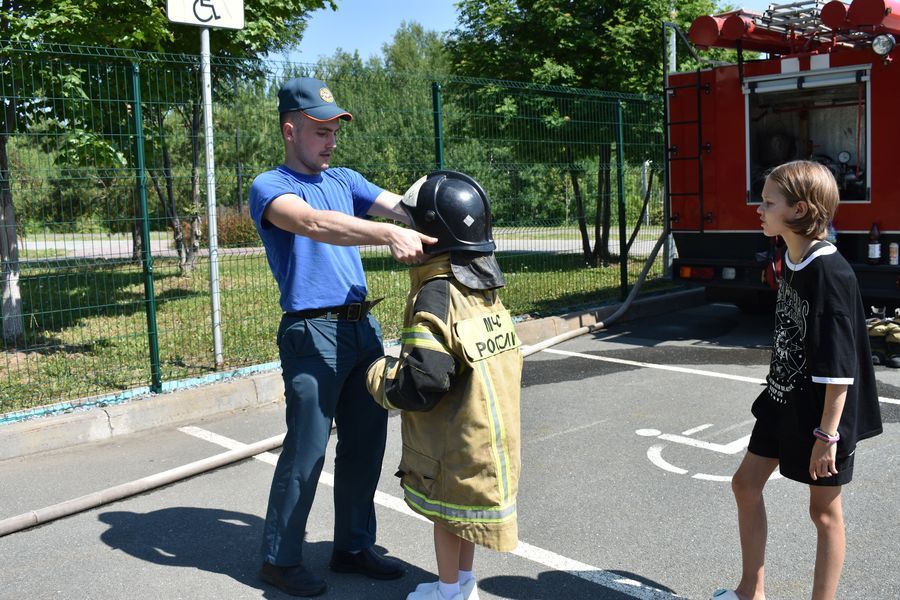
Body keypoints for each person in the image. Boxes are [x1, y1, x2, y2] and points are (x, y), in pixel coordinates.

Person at [248, 76, 437, 598]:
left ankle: (352, 547)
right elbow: (316, 224)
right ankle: (279, 560)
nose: (330, 140)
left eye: (334, 130)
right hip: (312, 333)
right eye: (319, 131)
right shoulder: (270, 186)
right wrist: (387, 233)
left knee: (366, 444)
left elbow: (404, 207)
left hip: (362, 330)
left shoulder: (345, 178)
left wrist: (444, 209)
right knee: (306, 450)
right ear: (291, 130)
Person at [713, 161, 883, 600]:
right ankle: (751, 592)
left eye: (769, 202)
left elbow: (840, 366)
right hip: (782, 397)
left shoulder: (829, 272)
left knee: (823, 514)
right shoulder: (792, 255)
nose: (759, 209)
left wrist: (827, 435)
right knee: (745, 484)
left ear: (799, 209)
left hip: (824, 414)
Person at [366, 171, 523, 600]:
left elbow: (425, 379)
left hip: (454, 439)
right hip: (489, 433)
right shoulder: (483, 288)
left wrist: (377, 376)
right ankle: (465, 583)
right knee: (465, 514)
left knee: (447, 516)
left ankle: (449, 590)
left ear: (430, 236)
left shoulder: (435, 293)